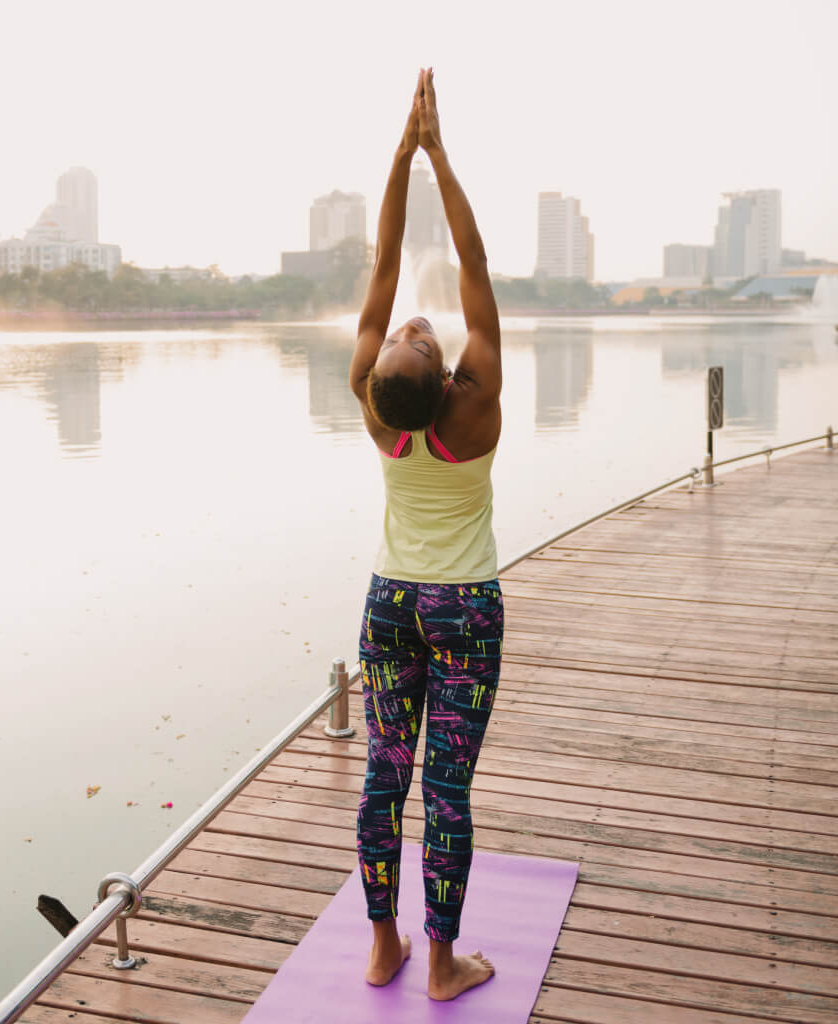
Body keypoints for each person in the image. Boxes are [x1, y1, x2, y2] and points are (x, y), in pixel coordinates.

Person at [348, 68, 504, 1002]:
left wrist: (397, 159)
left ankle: (384, 947)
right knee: (443, 788)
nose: (411, 320)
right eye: (418, 334)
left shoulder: (376, 413)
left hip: (390, 603)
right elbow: (474, 264)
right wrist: (438, 153)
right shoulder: (473, 416)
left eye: (408, 332)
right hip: (464, 610)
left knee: (383, 777)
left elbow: (380, 265)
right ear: (442, 374)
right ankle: (438, 962)